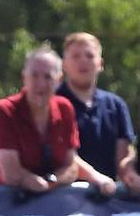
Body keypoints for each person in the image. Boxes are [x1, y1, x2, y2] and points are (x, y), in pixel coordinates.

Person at [0, 46, 116, 197]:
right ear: (24, 77)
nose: (41, 84)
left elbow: (71, 164)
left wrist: (52, 182)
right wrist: (32, 182)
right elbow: (11, 174)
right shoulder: (5, 110)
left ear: (59, 80)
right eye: (34, 75)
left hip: (49, 207)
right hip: (0, 206)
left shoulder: (64, 108)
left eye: (47, 77)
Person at [56, 32, 140, 192]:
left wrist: (131, 174)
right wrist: (95, 177)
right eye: (75, 56)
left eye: (89, 55)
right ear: (64, 64)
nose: (83, 61)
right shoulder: (52, 103)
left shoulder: (116, 105)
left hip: (106, 198)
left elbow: (123, 157)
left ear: (100, 63)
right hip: (62, 197)